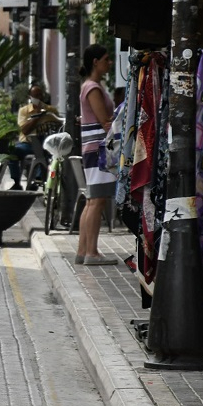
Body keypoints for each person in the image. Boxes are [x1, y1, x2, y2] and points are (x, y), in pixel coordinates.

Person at [77, 45, 118, 266]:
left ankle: (84, 250)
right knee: (97, 200)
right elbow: (105, 122)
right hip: (98, 149)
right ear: (95, 62)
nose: (109, 63)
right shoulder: (93, 87)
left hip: (92, 149)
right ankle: (91, 252)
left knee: (93, 200)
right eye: (106, 59)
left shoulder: (91, 86)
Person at [7, 85, 61, 190]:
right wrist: (37, 117)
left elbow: (57, 125)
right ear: (30, 97)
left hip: (45, 143)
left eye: (39, 95)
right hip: (27, 144)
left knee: (44, 153)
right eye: (35, 95)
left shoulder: (50, 110)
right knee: (13, 151)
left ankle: (38, 179)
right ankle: (16, 181)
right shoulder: (24, 111)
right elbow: (25, 130)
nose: (38, 97)